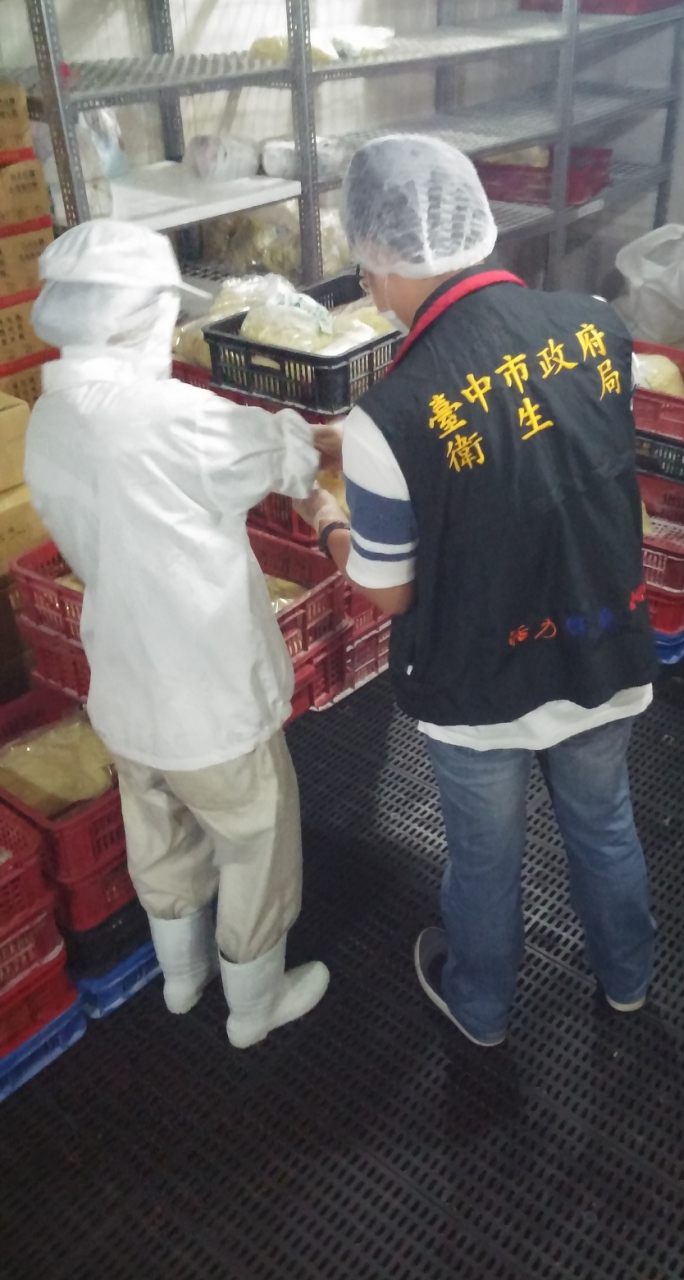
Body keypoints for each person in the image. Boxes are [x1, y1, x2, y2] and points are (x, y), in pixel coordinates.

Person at [296, 135, 657, 1048]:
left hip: (481, 680)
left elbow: (389, 595)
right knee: (604, 824)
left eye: (367, 270)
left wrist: (326, 516)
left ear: (383, 259)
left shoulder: (389, 414)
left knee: (486, 860)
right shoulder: (596, 326)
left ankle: (484, 1007)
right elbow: (551, 454)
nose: (370, 288)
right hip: (600, 639)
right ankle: (628, 981)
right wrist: (364, 454)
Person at [25, 220, 331, 1049]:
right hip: (210, 696)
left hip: (126, 687)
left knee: (159, 832)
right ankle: (255, 1004)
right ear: (140, 314)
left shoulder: (50, 421)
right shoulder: (169, 416)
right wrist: (307, 445)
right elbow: (281, 457)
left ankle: (183, 977)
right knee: (254, 840)